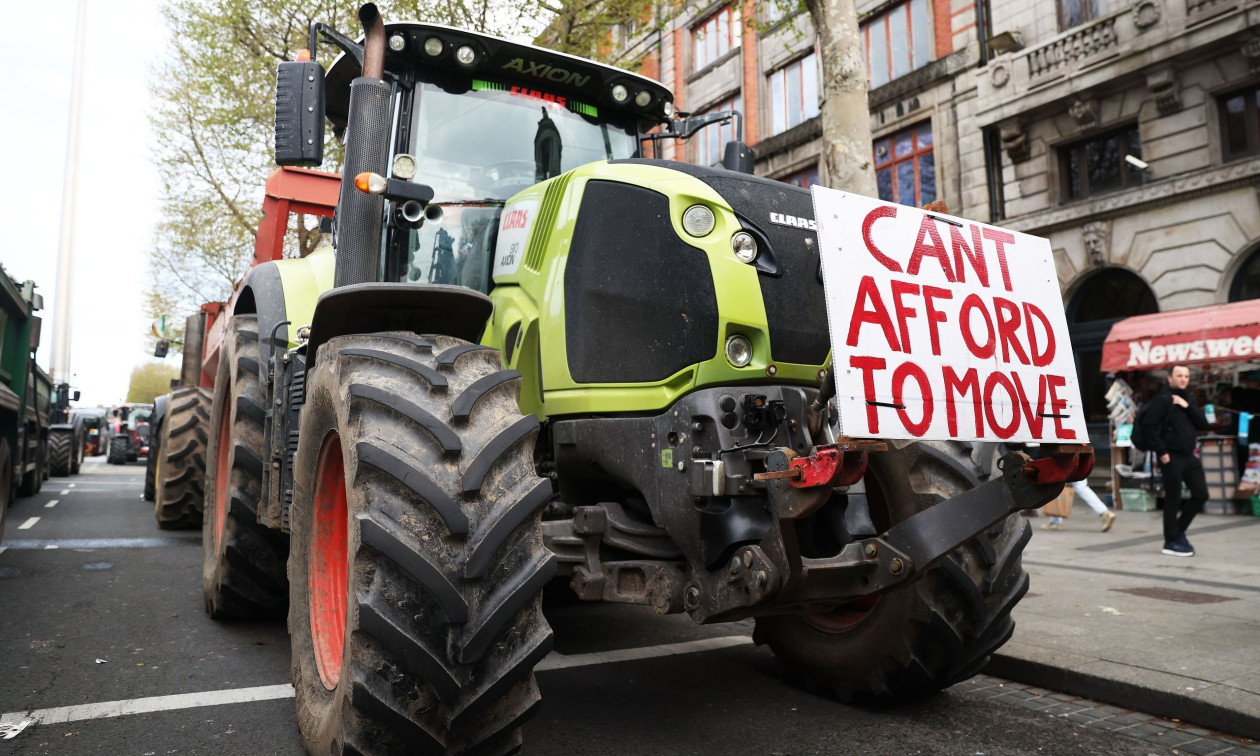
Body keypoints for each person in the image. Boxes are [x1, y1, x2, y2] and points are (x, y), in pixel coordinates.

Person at [1138, 364, 1209, 557]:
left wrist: (1187, 406)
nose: (1183, 379)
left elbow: (1202, 423)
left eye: (1186, 376)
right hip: (1171, 456)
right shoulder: (1162, 399)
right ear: (1170, 378)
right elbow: (1149, 426)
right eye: (1179, 376)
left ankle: (1177, 532)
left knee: (1201, 494)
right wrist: (1162, 451)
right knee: (1173, 498)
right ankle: (1170, 541)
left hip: (1189, 455)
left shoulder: (1188, 398)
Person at [1041, 480, 1117, 531]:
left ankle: (1055, 522)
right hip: (1081, 462)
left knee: (1056, 483)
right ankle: (1104, 512)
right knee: (1081, 487)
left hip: (1068, 462)